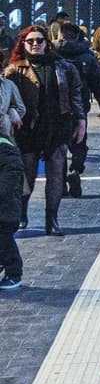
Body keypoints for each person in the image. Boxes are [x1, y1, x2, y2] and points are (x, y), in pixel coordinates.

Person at [5, 23, 85, 235]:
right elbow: (5, 95)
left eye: (39, 40)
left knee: (56, 174)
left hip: (58, 126)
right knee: (27, 175)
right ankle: (22, 213)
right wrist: (12, 110)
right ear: (23, 44)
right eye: (30, 41)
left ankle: (53, 219)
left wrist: (81, 121)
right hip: (28, 129)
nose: (35, 45)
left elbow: (76, 94)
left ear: (47, 43)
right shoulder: (15, 69)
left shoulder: (64, 67)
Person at [53, 20, 100, 198]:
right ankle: (75, 169)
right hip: (80, 105)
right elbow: (97, 83)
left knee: (58, 145)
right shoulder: (87, 55)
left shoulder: (52, 53)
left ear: (59, 35)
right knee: (79, 141)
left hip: (56, 106)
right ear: (78, 35)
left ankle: (60, 184)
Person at [0, 116, 21, 288]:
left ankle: (14, 272)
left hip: (5, 207)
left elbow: (11, 176)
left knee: (4, 239)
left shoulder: (5, 148)